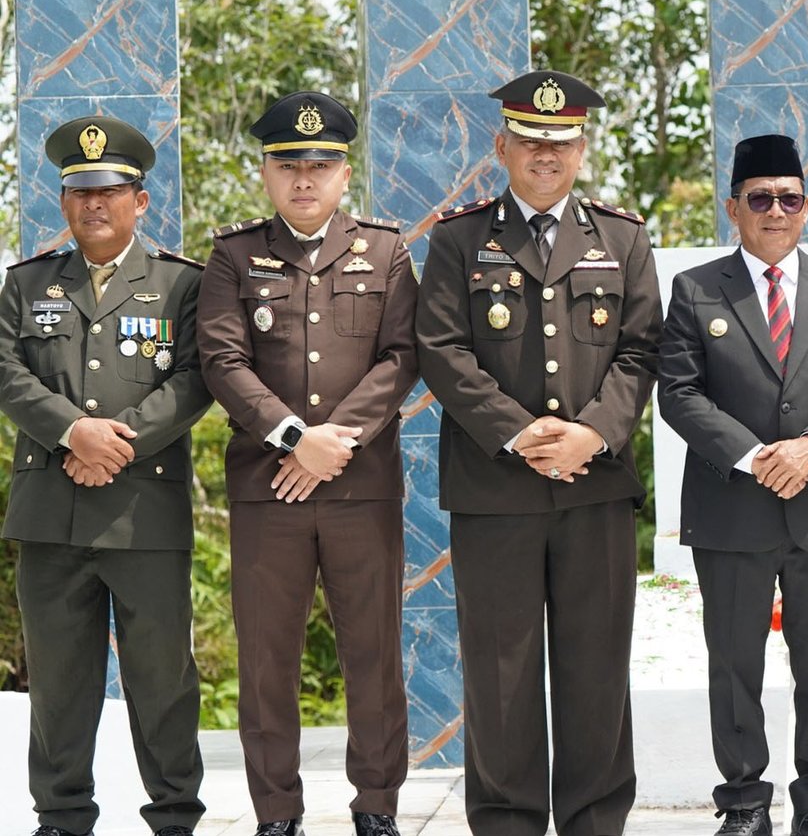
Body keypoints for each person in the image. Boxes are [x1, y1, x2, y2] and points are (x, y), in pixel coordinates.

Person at [416, 69, 663, 836]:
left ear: (582, 149)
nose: (545, 155)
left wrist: (592, 432)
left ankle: (595, 822)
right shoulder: (459, 239)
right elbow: (442, 348)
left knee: (597, 673)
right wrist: (520, 434)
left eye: (560, 142)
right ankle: (506, 824)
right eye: (529, 141)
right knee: (501, 677)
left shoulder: (622, 238)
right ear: (502, 147)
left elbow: (642, 350)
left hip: (595, 487)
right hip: (495, 492)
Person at [196, 93, 420, 836]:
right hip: (270, 491)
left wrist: (334, 442)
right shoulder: (233, 256)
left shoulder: (385, 252)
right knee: (267, 661)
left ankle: (377, 806)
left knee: (374, 656)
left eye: (320, 165)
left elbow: (402, 356)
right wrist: (296, 438)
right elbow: (222, 360)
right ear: (266, 173)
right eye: (288, 165)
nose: (304, 178)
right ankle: (276, 812)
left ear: (344, 174)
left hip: (363, 488)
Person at [658, 134, 808, 836]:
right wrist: (756, 456)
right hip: (733, 509)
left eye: (790, 198)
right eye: (760, 199)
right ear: (734, 208)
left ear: (807, 207)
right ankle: (744, 805)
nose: (776, 211)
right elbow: (679, 392)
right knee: (734, 666)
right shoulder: (696, 289)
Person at [0, 117, 212, 836]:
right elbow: (5, 371)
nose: (94, 204)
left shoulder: (182, 284)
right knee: (59, 680)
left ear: (140, 201)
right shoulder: (27, 284)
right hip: (50, 512)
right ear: (64, 201)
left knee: (162, 678)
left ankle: (175, 816)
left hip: (143, 513)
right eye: (80, 192)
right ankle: (61, 818)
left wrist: (116, 443)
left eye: (110, 191)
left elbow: (197, 378)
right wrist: (73, 432)